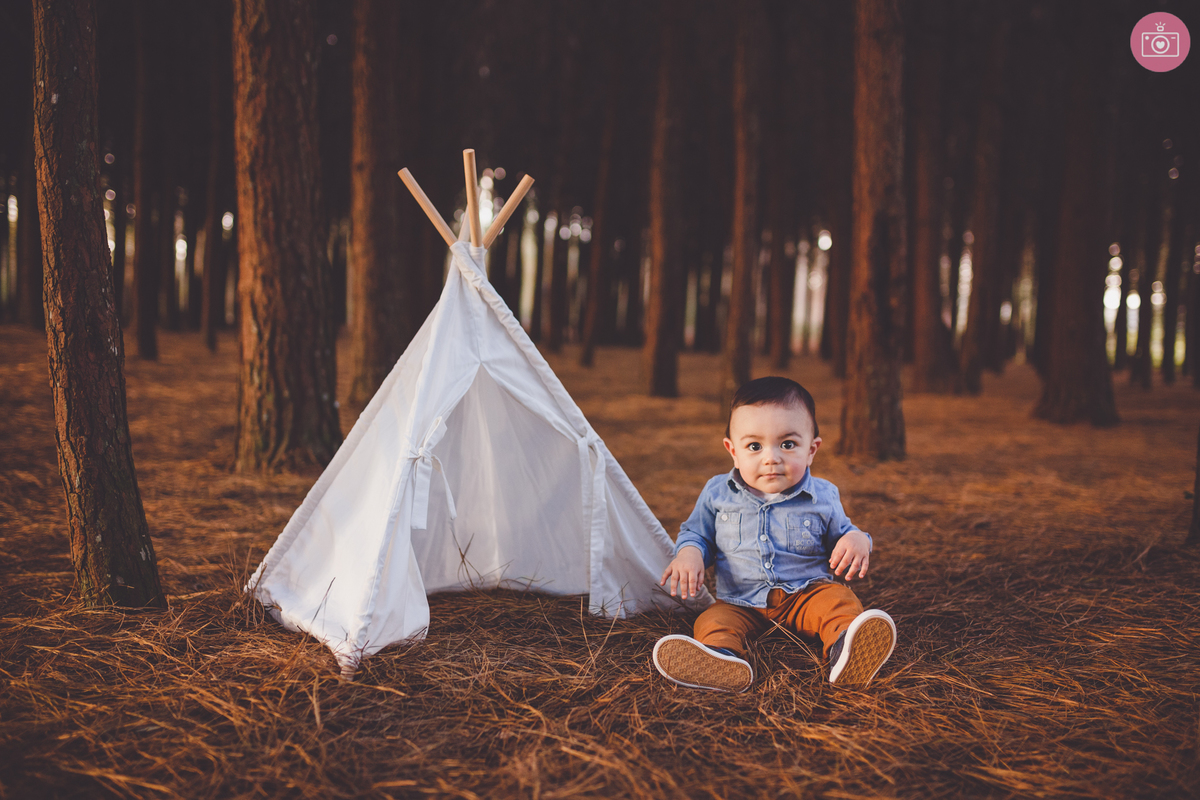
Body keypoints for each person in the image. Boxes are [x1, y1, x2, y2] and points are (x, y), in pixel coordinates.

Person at [653, 376, 896, 692]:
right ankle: (721, 657)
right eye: (754, 446)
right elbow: (698, 534)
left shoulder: (823, 496)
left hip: (806, 595)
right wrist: (690, 554)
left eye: (788, 444)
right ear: (733, 451)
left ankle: (846, 647)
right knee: (712, 621)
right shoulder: (717, 494)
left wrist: (857, 539)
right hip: (740, 601)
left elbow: (843, 534)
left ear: (811, 450)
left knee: (839, 602)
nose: (771, 458)